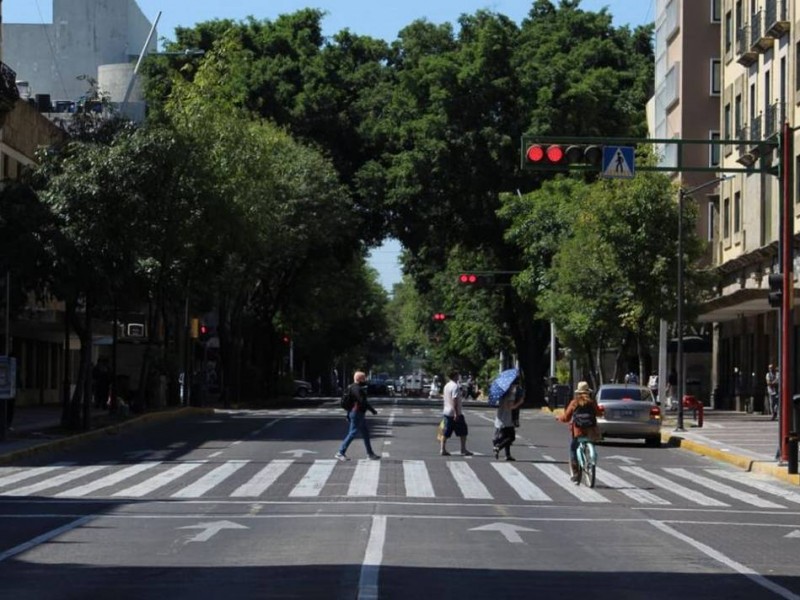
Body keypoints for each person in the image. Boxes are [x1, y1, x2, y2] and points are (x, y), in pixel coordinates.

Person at [557, 381, 601, 482]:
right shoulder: (592, 402)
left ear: (578, 392)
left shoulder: (574, 403)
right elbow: (598, 413)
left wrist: (559, 418)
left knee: (573, 449)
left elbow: (566, 418)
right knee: (590, 443)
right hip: (591, 431)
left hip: (578, 431)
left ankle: (576, 473)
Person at [335, 370, 380, 461]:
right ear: (360, 379)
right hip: (357, 413)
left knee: (365, 433)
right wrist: (372, 410)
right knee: (352, 433)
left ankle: (370, 453)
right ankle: (340, 452)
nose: (365, 380)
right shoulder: (357, 389)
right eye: (364, 378)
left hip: (356, 412)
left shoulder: (351, 387)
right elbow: (362, 401)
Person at [440, 369, 473, 456]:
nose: (459, 377)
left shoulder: (446, 385)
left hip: (446, 411)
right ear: (455, 376)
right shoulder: (455, 386)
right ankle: (463, 449)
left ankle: (442, 449)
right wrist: (456, 413)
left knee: (446, 431)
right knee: (463, 431)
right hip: (455, 412)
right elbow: (454, 400)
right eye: (458, 375)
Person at [493, 379, 525, 461]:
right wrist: (520, 402)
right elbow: (510, 407)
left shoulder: (501, 394)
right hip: (507, 419)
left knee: (506, 437)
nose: (516, 387)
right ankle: (498, 446)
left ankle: (507, 455)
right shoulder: (511, 394)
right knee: (511, 437)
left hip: (500, 418)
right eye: (515, 385)